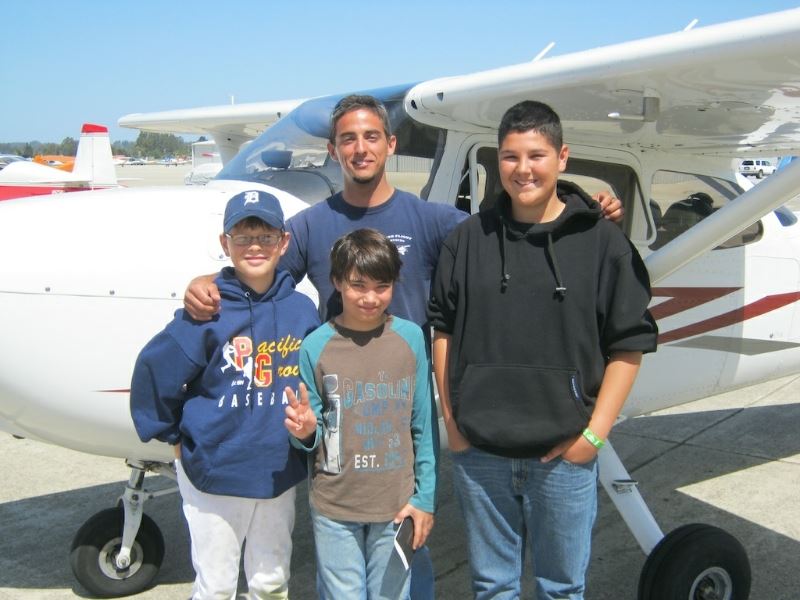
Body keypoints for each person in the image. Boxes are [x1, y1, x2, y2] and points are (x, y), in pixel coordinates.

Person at [183, 94, 625, 598]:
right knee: (342, 553)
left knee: (409, 539)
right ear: (333, 149)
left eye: (372, 136)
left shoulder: (433, 221)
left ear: (390, 144)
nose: (360, 148)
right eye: (348, 139)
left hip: (406, 410)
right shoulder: (308, 227)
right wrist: (209, 280)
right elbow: (256, 275)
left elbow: (517, 227)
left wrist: (587, 209)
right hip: (341, 417)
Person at [427, 100, 658, 599]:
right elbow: (441, 331)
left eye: (537, 155)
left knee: (562, 588)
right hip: (480, 451)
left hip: (564, 456)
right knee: (492, 586)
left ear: (562, 158)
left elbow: (630, 343)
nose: (523, 169)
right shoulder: (465, 242)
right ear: (498, 162)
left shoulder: (603, 243)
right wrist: (453, 423)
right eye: (510, 157)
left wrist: (593, 437)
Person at [130, 189, 320, 600]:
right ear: (224, 244)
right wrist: (171, 435)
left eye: (267, 235)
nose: (255, 246)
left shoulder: (302, 311)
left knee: (271, 583)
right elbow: (153, 372)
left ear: (284, 242)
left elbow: (314, 381)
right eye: (242, 236)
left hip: (277, 470)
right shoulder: (207, 310)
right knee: (215, 586)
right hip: (214, 472)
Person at [284, 228, 436, 600]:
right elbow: (312, 430)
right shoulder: (315, 345)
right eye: (357, 285)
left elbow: (423, 426)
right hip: (335, 506)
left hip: (396, 505)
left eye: (382, 286)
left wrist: (425, 499)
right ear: (336, 282)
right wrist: (304, 431)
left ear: (395, 284)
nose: (370, 298)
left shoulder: (412, 338)